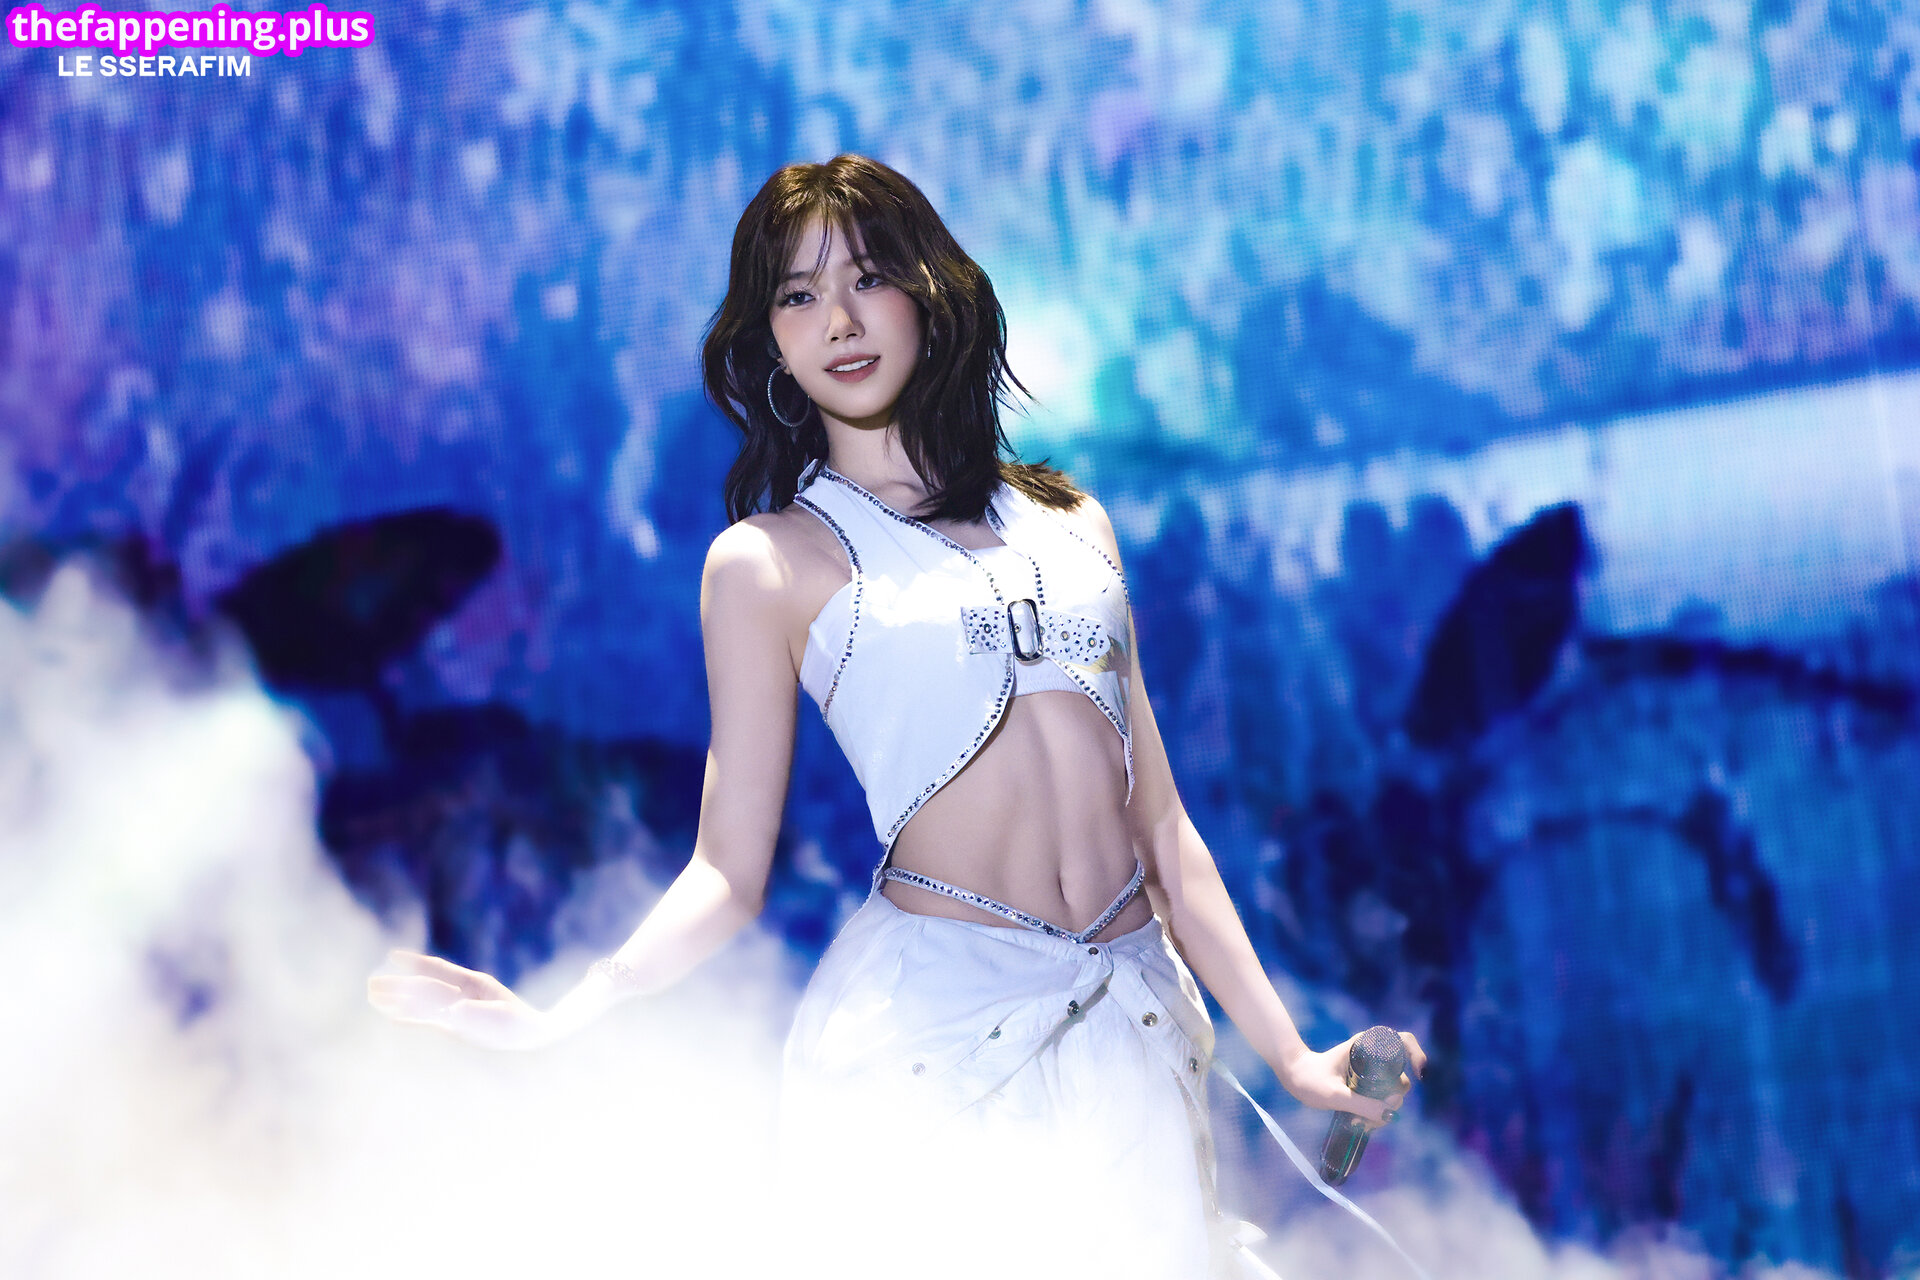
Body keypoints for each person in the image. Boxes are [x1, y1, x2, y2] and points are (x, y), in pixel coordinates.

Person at [369, 153, 1425, 1279]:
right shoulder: (768, 563)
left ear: (930, 290)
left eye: (867, 277)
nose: (838, 318)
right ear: (770, 340)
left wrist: (1294, 1057)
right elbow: (726, 869)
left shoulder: (1074, 523)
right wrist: (561, 1015)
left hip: (1133, 1017)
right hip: (927, 1042)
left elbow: (1159, 826)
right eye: (797, 294)